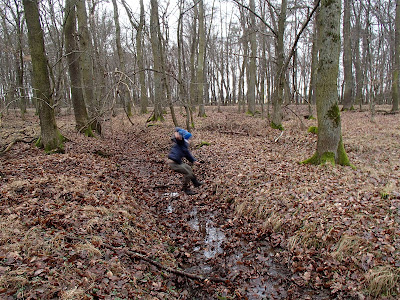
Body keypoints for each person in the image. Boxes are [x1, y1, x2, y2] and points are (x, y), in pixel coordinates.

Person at [167, 127, 203, 195]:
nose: (190, 141)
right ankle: (185, 189)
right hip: (172, 163)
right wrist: (177, 134)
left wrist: (194, 161)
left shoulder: (184, 147)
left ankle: (195, 183)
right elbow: (179, 137)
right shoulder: (182, 142)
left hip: (178, 162)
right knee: (188, 173)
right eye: (189, 139)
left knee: (189, 168)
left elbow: (188, 155)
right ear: (186, 139)